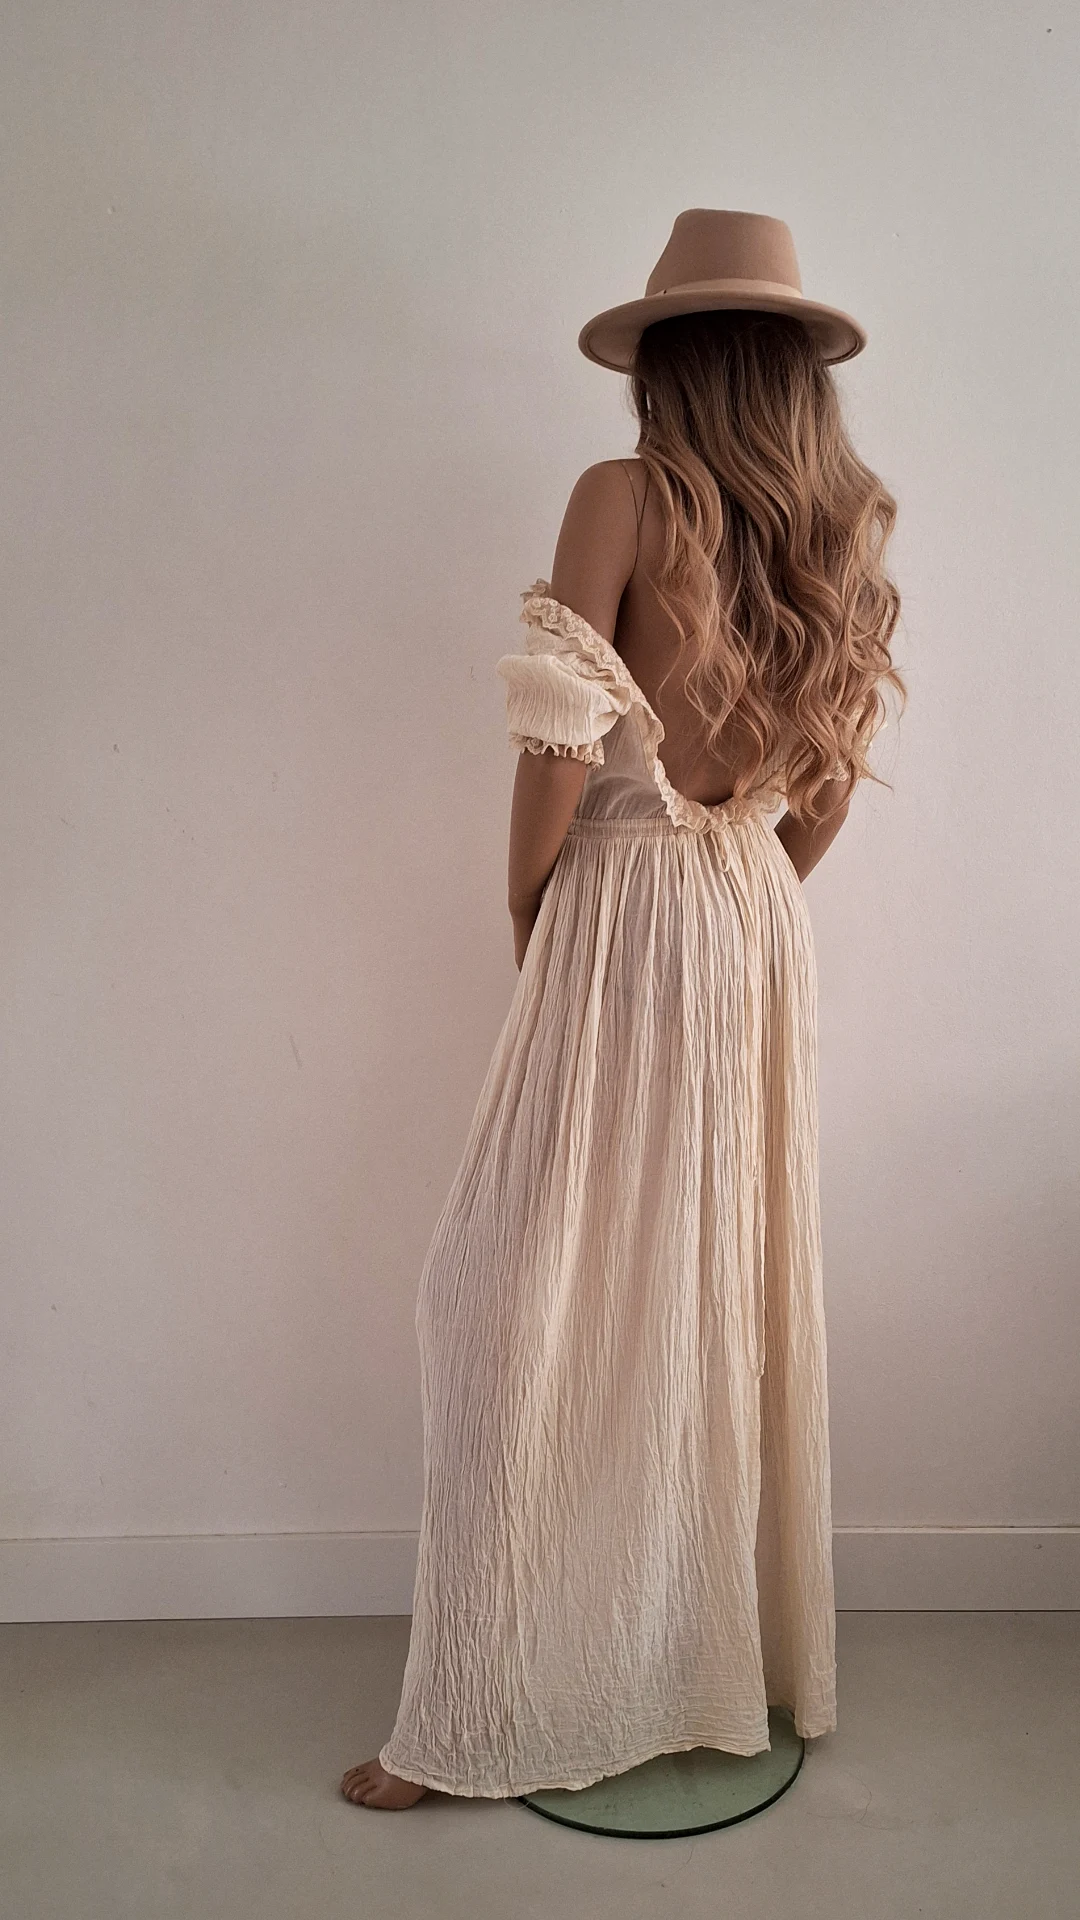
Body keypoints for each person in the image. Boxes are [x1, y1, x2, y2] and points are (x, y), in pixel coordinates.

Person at [342, 209, 906, 1810]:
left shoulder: (623, 494)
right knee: (702, 1283)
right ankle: (690, 1660)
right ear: (795, 375)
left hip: (624, 908)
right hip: (749, 915)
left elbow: (558, 743)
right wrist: (748, 881)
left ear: (670, 362)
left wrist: (537, 913)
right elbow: (828, 792)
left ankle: (484, 1716)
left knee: (509, 1296)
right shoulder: (842, 531)